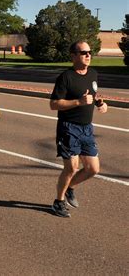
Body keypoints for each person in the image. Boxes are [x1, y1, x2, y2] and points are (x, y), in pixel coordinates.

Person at [49, 40, 108, 218]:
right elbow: (53, 104)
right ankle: (58, 202)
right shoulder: (66, 77)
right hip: (69, 128)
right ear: (73, 56)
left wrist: (100, 102)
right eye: (84, 53)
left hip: (87, 128)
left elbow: (93, 93)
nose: (88, 55)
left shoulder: (93, 74)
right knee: (71, 167)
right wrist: (78, 102)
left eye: (90, 52)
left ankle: (70, 188)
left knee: (93, 169)